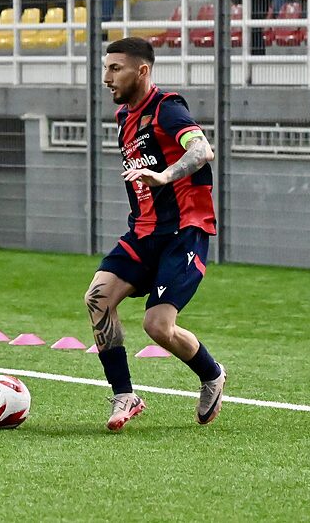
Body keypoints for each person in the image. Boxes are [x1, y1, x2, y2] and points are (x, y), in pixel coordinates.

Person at [88, 37, 224, 432]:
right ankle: (124, 395)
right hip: (143, 231)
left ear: (142, 71)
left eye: (115, 69)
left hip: (183, 231)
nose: (106, 77)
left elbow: (201, 150)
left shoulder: (167, 109)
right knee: (97, 299)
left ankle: (212, 374)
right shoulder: (124, 118)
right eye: (106, 68)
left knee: (157, 326)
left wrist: (164, 175)